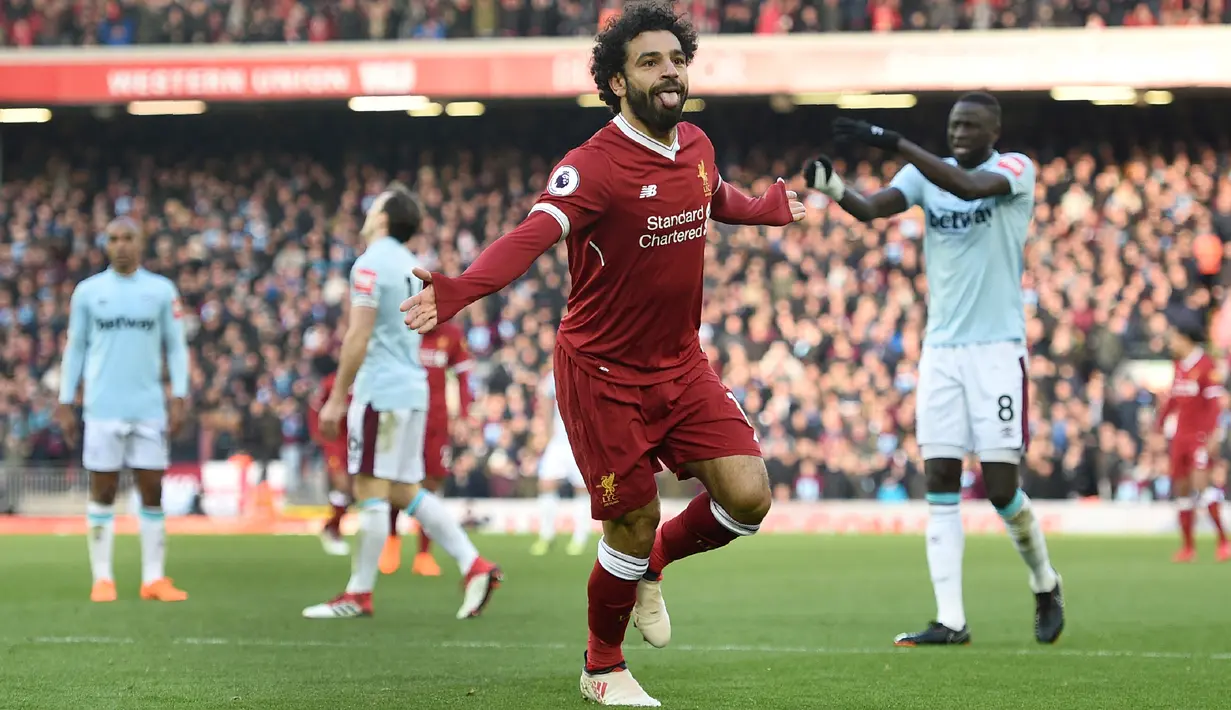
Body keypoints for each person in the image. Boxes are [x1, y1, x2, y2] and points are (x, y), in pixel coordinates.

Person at [401, 3, 804, 704]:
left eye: (676, 59)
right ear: (617, 82)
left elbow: (713, 197)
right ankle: (601, 668)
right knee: (630, 518)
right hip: (603, 376)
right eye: (649, 62)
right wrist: (463, 288)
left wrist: (766, 206)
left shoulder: (696, 146)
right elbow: (533, 233)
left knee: (748, 498)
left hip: (680, 365)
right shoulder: (591, 166)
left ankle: (653, 565)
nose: (669, 71)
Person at [803, 92, 1064, 647]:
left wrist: (894, 141)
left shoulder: (1015, 170)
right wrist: (831, 188)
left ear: (995, 130)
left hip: (998, 350)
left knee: (999, 489)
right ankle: (951, 620)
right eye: (954, 124)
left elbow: (967, 187)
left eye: (971, 124)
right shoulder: (923, 175)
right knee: (940, 477)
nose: (960, 132)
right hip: (942, 351)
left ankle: (1045, 581)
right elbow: (873, 208)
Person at [301, 184, 501, 621]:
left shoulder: (370, 263)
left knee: (370, 487)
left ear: (384, 218)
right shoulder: (412, 267)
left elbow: (359, 334)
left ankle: (359, 593)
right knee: (403, 489)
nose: (367, 212)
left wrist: (337, 398)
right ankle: (474, 565)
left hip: (381, 392)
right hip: (413, 393)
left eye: (373, 207)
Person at [57, 217, 190, 603]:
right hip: (102, 407)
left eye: (128, 238)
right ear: (105, 244)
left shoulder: (161, 291)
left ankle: (153, 579)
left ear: (141, 241)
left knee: (152, 490)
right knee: (103, 489)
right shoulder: (88, 292)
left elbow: (176, 346)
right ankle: (103, 579)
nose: (121, 245)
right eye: (113, 239)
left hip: (148, 406)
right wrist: (67, 399)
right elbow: (75, 347)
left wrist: (179, 395)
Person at [380, 321, 474, 577]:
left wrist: (464, 415)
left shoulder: (452, 334)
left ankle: (423, 553)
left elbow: (464, 376)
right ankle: (391, 539)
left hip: (436, 423)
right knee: (396, 479)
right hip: (402, 417)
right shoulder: (401, 329)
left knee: (431, 483)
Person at [1155, 314, 1229, 562]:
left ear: (1185, 338)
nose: (1171, 341)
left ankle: (1223, 541)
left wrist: (1213, 434)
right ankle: (1188, 547)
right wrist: (1158, 427)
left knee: (1202, 485)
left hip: (1200, 437)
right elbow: (1173, 400)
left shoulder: (1206, 365)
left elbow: (1215, 405)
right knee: (1182, 490)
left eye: (1174, 337)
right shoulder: (1179, 366)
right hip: (1180, 438)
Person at [529, 368, 591, 557]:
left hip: (583, 441)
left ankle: (580, 537)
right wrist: (548, 432)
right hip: (559, 441)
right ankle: (546, 535)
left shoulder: (590, 369)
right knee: (546, 483)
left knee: (582, 488)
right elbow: (545, 398)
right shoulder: (556, 372)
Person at [307, 357, 351, 557]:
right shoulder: (331, 382)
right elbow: (315, 407)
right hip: (335, 440)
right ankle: (332, 529)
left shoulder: (367, 381)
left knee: (355, 490)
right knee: (342, 484)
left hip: (358, 441)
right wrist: (317, 433)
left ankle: (332, 526)